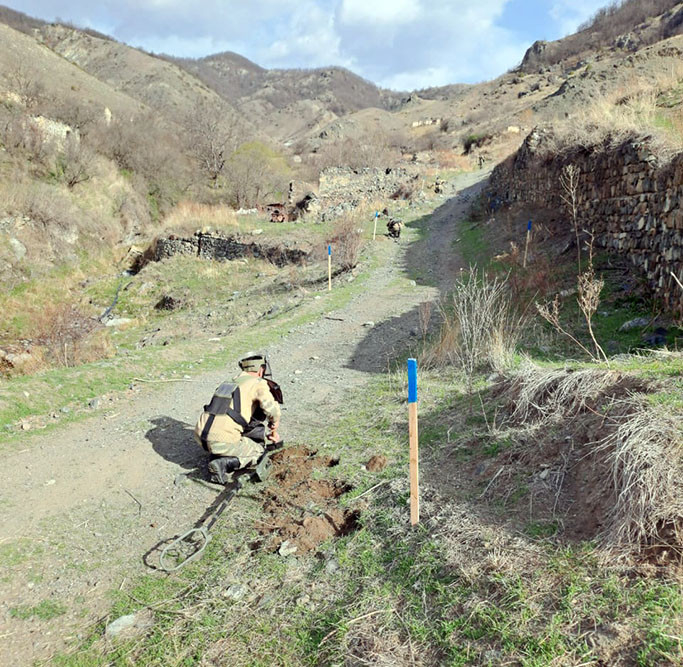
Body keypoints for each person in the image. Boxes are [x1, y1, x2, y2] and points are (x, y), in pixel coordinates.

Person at [194, 354, 282, 483]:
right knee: (259, 451)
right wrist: (275, 422)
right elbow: (272, 409)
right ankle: (223, 463)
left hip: (200, 437)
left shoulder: (228, 382)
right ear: (261, 369)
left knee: (224, 441)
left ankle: (219, 453)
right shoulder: (258, 383)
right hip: (222, 440)